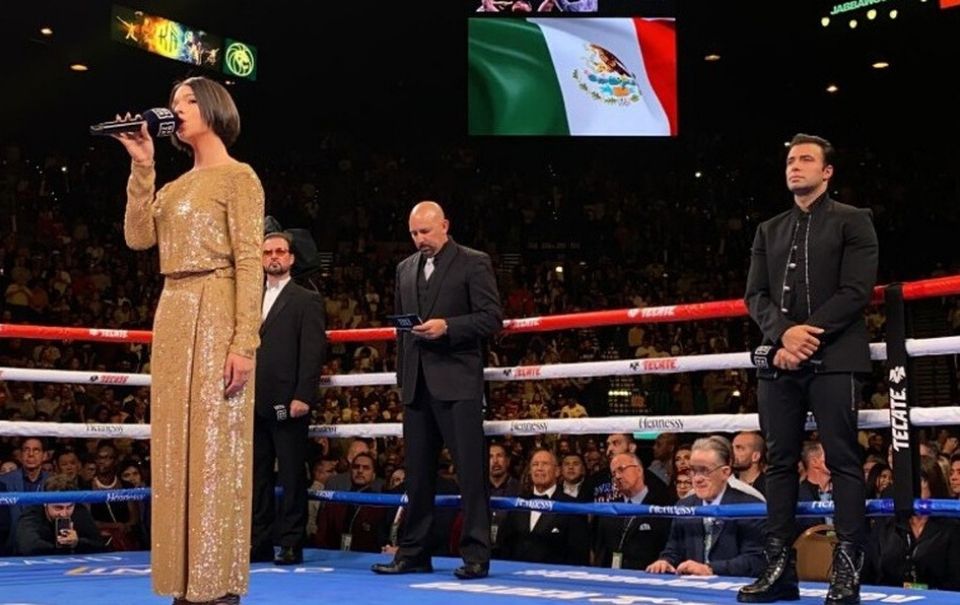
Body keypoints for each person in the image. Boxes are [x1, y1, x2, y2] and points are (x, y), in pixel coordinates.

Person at [114, 75, 264, 605]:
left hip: (219, 304)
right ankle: (181, 582)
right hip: (173, 309)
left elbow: (250, 261)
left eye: (188, 100)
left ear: (215, 108)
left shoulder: (239, 177)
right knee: (174, 446)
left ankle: (216, 583)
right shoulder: (173, 187)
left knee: (216, 449)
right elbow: (137, 237)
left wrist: (245, 341)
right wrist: (141, 165)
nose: (177, 108)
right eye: (174, 100)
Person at [739, 133, 879, 605]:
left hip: (835, 355)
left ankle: (847, 573)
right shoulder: (768, 229)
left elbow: (856, 291)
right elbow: (754, 295)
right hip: (780, 360)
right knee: (779, 462)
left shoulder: (853, 221)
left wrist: (803, 335)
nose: (794, 167)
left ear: (827, 171)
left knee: (842, 460)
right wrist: (783, 335)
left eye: (805, 160)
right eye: (790, 160)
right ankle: (778, 570)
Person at [371, 201, 502, 580]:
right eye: (414, 233)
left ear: (445, 225)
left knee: (470, 473)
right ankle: (413, 552)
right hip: (416, 385)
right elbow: (401, 330)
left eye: (426, 232)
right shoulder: (404, 269)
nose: (420, 240)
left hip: (458, 382)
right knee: (417, 475)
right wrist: (402, 380)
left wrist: (449, 326)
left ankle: (476, 554)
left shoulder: (473, 262)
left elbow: (491, 317)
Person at [250, 230, 326, 566]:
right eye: (267, 252)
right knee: (258, 476)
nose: (273, 257)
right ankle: (260, 541)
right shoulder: (249, 298)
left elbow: (313, 351)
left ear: (292, 258)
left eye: (279, 251)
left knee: (293, 474)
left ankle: (293, 542)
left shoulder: (305, 298)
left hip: (288, 401)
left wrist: (303, 395)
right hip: (252, 400)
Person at [646, 436, 765, 578]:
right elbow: (673, 550)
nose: (697, 478)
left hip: (733, 591)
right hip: (692, 592)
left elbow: (755, 561)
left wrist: (710, 569)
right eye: (693, 471)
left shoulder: (749, 507)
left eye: (704, 471)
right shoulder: (684, 505)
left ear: (725, 472)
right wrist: (664, 561)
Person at [14, 474, 105, 556]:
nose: (64, 513)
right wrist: (61, 548)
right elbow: (28, 546)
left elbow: (99, 544)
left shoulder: (79, 511)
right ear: (45, 503)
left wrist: (78, 542)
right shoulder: (31, 514)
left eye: (69, 507)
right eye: (58, 507)